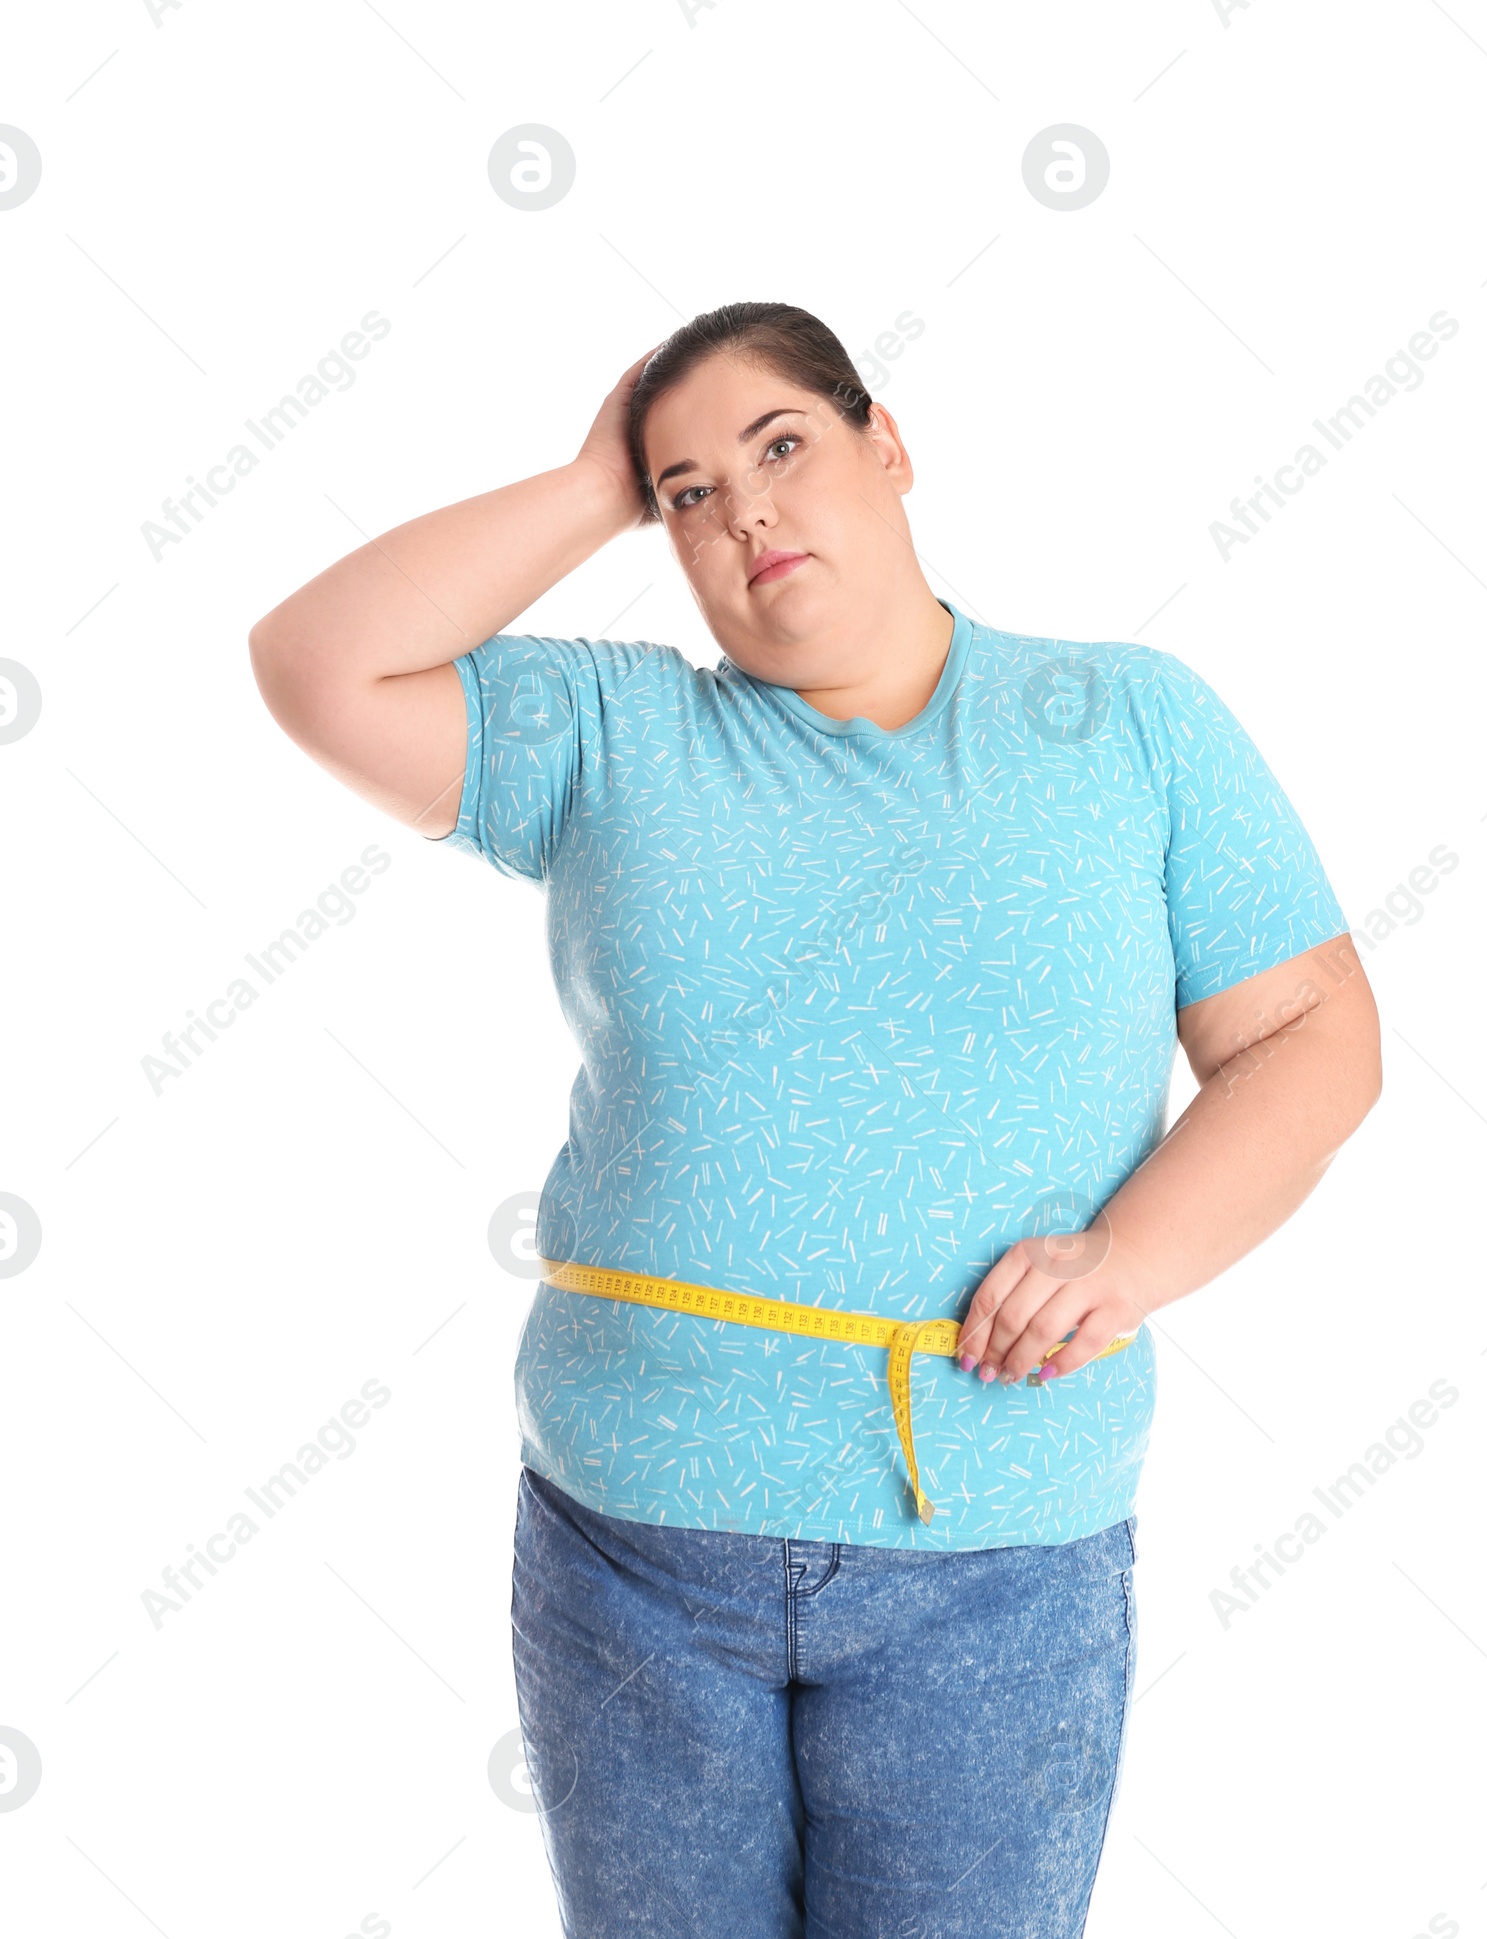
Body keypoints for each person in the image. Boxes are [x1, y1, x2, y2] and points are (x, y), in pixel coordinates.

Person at [248, 301, 1382, 1937]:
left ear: (890, 445)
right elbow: (315, 664)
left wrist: (1127, 1260)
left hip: (999, 1559)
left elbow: (1310, 1034)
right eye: (691, 491)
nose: (748, 509)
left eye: (781, 447)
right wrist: (589, 482)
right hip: (632, 1549)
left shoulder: (1127, 722)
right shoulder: (613, 733)